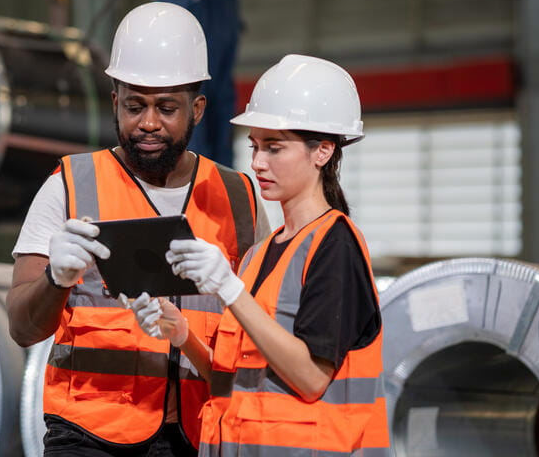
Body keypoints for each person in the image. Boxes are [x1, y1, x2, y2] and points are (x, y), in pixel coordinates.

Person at [7, 1, 271, 456]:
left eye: (167, 108)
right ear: (115, 102)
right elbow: (22, 327)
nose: (148, 123)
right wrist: (56, 280)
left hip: (200, 432)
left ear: (199, 108)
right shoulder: (69, 185)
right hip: (88, 432)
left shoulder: (239, 198)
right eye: (134, 106)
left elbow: (261, 334)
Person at [130, 54, 391, 456]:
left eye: (274, 148)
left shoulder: (335, 245)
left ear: (322, 151)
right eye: (254, 146)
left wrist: (230, 291)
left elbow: (310, 378)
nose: (257, 163)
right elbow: (232, 381)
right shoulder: (257, 256)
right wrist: (182, 336)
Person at [129, 0, 240, 166]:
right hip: (216, 15)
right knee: (213, 115)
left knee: (187, 110)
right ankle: (220, 192)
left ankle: (197, 192)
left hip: (192, 17)